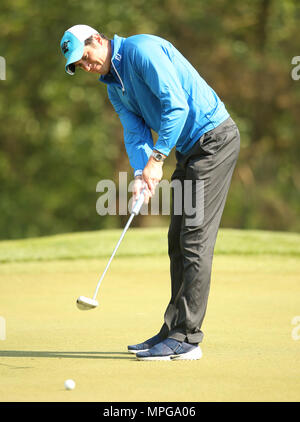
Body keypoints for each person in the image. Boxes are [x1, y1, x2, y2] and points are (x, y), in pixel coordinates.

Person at [60, 25, 240, 361]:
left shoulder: (142, 51)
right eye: (79, 66)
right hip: (189, 149)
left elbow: (177, 107)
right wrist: (143, 174)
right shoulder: (114, 87)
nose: (86, 66)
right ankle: (173, 328)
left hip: (215, 140)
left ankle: (188, 338)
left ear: (98, 40)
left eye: (85, 57)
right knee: (177, 239)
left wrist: (157, 160)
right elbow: (134, 132)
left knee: (194, 238)